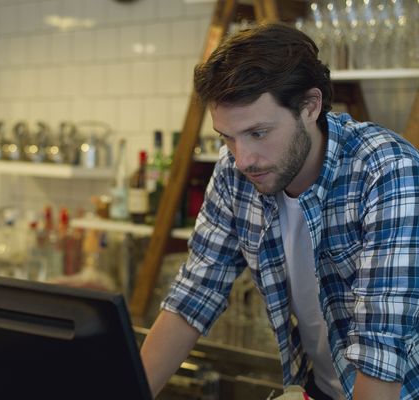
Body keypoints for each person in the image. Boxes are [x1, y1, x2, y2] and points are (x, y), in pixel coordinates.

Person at [140, 23, 419, 400]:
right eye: (227, 137)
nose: (242, 159)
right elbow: (192, 298)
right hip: (320, 388)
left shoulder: (386, 171)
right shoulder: (234, 173)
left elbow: (381, 356)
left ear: (310, 106)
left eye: (258, 133)